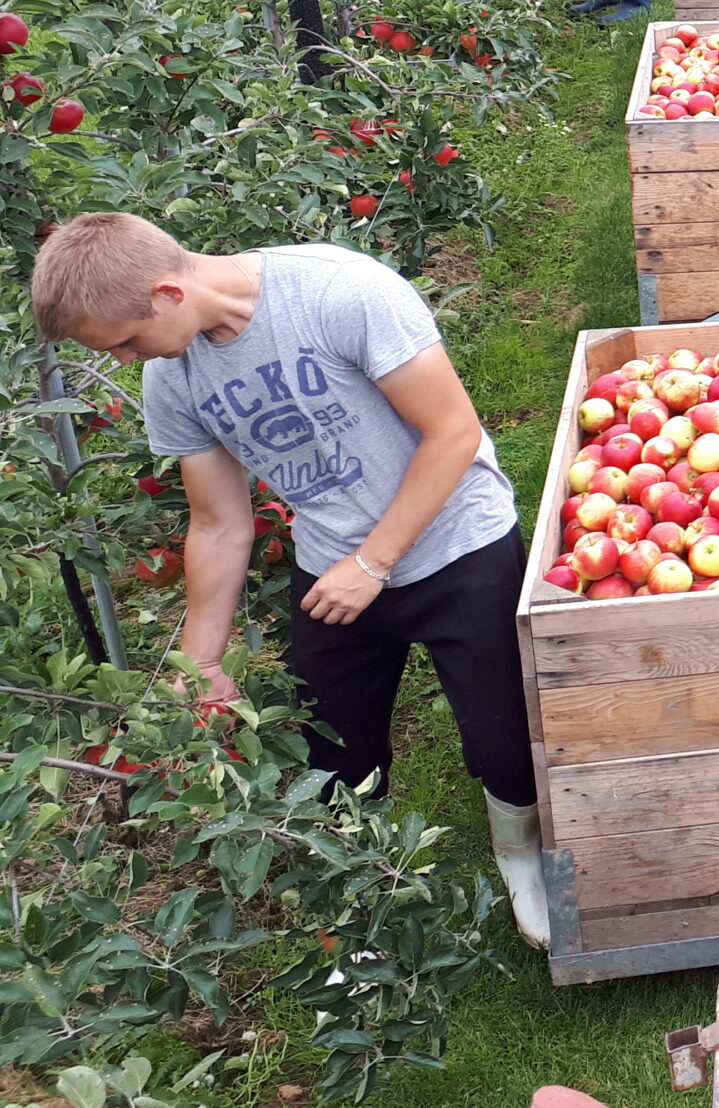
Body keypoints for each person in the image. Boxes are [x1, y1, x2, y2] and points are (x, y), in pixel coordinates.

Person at [30, 213, 552, 949]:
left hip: (455, 544)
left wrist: (373, 563)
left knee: (505, 741)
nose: (122, 360)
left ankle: (518, 851)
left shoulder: (341, 294)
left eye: (123, 341)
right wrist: (202, 659)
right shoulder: (170, 376)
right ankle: (368, 904)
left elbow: (454, 433)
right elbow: (218, 521)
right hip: (332, 569)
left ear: (167, 293)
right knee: (334, 754)